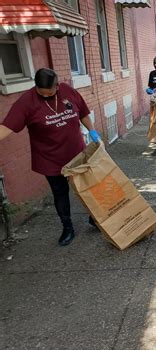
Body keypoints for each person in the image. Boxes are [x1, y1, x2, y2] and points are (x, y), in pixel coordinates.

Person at [0, 68, 100, 246]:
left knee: (87, 187)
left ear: (57, 86)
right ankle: (67, 227)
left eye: (50, 93)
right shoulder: (26, 102)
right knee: (60, 193)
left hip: (76, 153)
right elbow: (6, 127)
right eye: (42, 93)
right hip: (50, 158)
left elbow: (83, 113)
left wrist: (92, 130)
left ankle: (95, 218)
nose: (46, 96)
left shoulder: (68, 91)